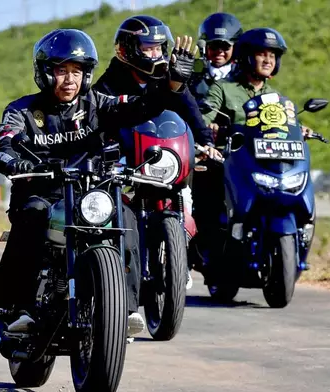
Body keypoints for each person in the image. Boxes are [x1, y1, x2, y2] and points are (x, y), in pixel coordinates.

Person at [0, 28, 194, 333]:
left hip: (93, 192)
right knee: (30, 217)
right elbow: (4, 148)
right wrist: (18, 161)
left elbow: (142, 106)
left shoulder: (99, 103)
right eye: (61, 71)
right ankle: (18, 306)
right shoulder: (22, 111)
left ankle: (125, 310)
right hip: (44, 192)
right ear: (45, 73)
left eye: (77, 71)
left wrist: (172, 83)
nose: (70, 79)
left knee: (127, 218)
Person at [92, 14, 218, 334]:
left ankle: (184, 257)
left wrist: (205, 141)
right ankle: (126, 303)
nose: (156, 54)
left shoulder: (168, 73)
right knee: (122, 222)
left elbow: (188, 108)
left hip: (164, 161)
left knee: (196, 191)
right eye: (149, 48)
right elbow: (103, 116)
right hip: (127, 163)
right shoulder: (112, 80)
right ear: (129, 50)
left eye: (160, 47)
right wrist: (103, 145)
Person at [196, 27, 312, 272]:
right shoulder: (224, 89)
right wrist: (212, 126)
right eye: (262, 54)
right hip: (234, 159)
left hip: (267, 161)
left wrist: (301, 129)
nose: (268, 60)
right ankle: (211, 248)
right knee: (210, 193)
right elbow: (204, 115)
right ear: (247, 56)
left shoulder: (275, 96)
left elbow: (286, 122)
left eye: (273, 55)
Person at [188, 12, 243, 102]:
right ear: (205, 47)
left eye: (225, 46)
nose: (219, 51)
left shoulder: (243, 76)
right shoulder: (193, 73)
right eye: (214, 45)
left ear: (235, 48)